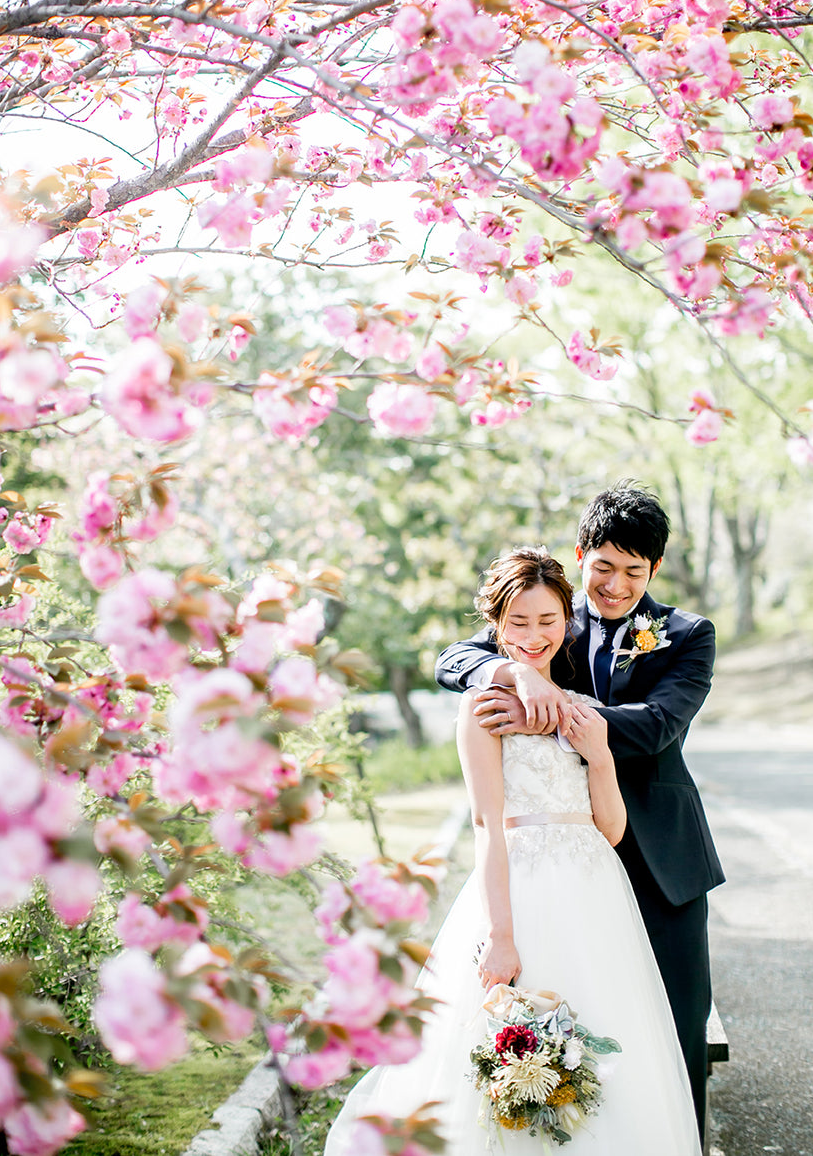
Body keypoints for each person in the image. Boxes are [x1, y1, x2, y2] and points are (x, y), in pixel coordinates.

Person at [325, 547, 701, 1156]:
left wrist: (600, 755)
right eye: (518, 622)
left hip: (597, 894)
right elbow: (485, 826)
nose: (534, 635)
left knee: (606, 1038)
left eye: (548, 621)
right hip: (521, 889)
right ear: (497, 626)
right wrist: (501, 935)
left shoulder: (583, 710)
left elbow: (610, 829)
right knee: (507, 1041)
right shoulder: (483, 708)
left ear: (566, 622)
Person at [434, 484, 724, 1142]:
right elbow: (455, 658)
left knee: (676, 1026)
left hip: (661, 858)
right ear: (581, 554)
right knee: (563, 1006)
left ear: (654, 568)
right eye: (604, 567)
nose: (616, 585)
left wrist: (557, 711)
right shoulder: (551, 618)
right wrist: (515, 676)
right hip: (563, 864)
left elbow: (658, 725)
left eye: (634, 571)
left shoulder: (688, 635)